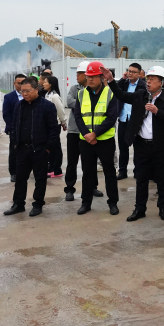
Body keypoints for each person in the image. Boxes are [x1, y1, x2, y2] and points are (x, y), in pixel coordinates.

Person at [102, 65, 164, 221]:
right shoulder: (140, 95)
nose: (148, 82)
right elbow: (121, 95)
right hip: (142, 144)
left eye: (153, 80)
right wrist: (110, 80)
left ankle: (163, 208)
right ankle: (140, 208)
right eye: (148, 79)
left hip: (161, 145)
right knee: (141, 178)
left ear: (161, 83)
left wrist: (157, 111)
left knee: (162, 178)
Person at [3, 77, 59, 217]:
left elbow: (53, 129)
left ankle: (38, 204)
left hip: (40, 149)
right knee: (20, 178)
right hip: (22, 148)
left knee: (40, 179)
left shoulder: (47, 106)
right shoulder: (19, 105)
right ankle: (18, 204)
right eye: (22, 91)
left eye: (27, 91)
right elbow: (14, 125)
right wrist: (15, 142)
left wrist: (47, 147)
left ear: (36, 90)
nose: (24, 94)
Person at [70, 62, 120, 216]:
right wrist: (87, 134)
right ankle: (86, 203)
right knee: (87, 172)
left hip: (105, 140)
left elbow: (111, 118)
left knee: (109, 172)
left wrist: (95, 134)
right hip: (86, 141)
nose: (90, 79)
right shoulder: (81, 94)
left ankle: (113, 202)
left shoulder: (110, 93)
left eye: (93, 77)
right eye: (88, 76)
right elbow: (78, 116)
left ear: (102, 77)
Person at [63, 62, 104, 201]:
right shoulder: (74, 88)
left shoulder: (98, 90)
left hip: (90, 132)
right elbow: (69, 102)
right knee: (72, 161)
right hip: (75, 131)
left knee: (90, 162)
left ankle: (93, 187)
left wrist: (81, 103)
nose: (77, 76)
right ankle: (69, 189)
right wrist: (84, 104)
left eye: (79, 74)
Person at [116, 63, 146, 180]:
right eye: (129, 71)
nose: (130, 73)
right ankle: (122, 171)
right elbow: (116, 90)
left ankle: (137, 171)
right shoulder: (124, 83)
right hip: (123, 118)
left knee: (138, 148)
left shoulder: (143, 85)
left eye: (133, 72)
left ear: (139, 73)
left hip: (136, 120)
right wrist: (122, 79)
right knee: (123, 147)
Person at [42, 75, 67, 178]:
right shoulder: (47, 94)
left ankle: (57, 170)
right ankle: (51, 167)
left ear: (51, 84)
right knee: (50, 147)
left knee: (55, 147)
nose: (43, 84)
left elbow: (60, 111)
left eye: (45, 82)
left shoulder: (55, 96)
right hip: (47, 125)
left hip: (55, 125)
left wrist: (63, 122)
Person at [3, 74, 26, 182]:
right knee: (14, 151)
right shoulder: (9, 97)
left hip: (29, 128)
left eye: (23, 83)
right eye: (19, 83)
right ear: (14, 83)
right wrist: (12, 128)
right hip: (15, 129)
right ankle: (13, 172)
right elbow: (6, 114)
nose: (21, 85)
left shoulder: (30, 96)